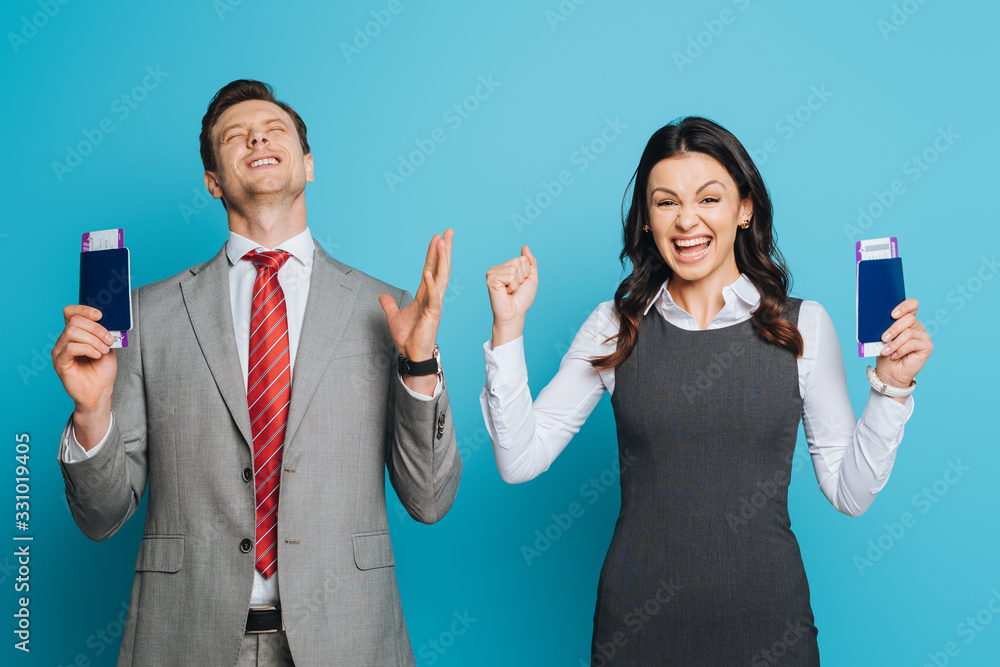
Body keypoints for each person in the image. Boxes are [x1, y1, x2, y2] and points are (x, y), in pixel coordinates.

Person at [481, 116, 931, 664]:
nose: (686, 220)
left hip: (771, 628)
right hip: (637, 631)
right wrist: (507, 331)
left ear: (744, 209)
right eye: (665, 202)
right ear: (646, 220)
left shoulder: (802, 327)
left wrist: (891, 387)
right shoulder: (614, 326)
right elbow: (518, 459)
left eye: (708, 198)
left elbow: (850, 494)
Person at [52, 79, 462, 667]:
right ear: (213, 181)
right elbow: (100, 517)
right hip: (184, 639)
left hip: (349, 639)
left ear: (308, 163)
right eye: (235, 136)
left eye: (274, 130)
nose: (257, 139)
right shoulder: (147, 315)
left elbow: (428, 500)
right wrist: (91, 413)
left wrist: (418, 362)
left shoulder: (390, 310)